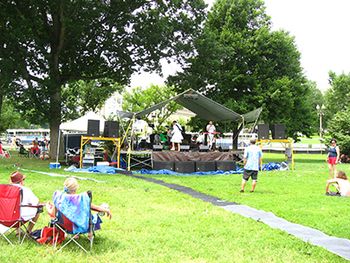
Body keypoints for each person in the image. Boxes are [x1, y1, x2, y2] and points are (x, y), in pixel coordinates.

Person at [46, 177, 112, 220]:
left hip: (64, 226)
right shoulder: (81, 199)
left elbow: (52, 214)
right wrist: (106, 210)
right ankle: (90, 234)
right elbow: (95, 207)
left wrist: (48, 207)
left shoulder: (59, 199)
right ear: (76, 188)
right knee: (92, 217)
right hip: (80, 226)